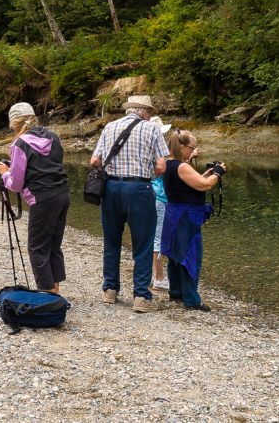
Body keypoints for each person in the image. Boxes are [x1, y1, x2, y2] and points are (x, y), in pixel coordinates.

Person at [90, 95, 169, 313]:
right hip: (139, 188)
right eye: (150, 113)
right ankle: (141, 296)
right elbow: (162, 167)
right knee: (143, 243)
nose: (150, 116)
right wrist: (148, 175)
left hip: (111, 188)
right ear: (145, 112)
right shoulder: (151, 128)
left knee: (112, 240)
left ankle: (110, 290)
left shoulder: (109, 127)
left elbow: (95, 161)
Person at [0, 102, 71, 294]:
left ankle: (47, 295)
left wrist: (5, 174)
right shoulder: (53, 137)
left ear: (14, 123)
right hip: (62, 193)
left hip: (42, 198)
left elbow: (16, 184)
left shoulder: (19, 144)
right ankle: (55, 290)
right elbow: (48, 166)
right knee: (53, 246)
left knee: (37, 248)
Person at [160, 129, 224, 312]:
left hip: (174, 214)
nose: (193, 151)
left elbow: (191, 185)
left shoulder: (168, 163)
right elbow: (205, 185)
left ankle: (176, 292)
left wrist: (206, 174)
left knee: (175, 253)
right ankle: (191, 299)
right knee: (191, 254)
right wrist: (217, 173)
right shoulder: (182, 166)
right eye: (191, 147)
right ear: (182, 147)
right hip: (186, 216)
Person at [149, 116, 173, 292]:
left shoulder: (145, 148)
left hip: (149, 195)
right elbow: (164, 170)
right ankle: (159, 278)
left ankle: (152, 275)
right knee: (158, 238)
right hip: (160, 197)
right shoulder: (159, 151)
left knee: (150, 236)